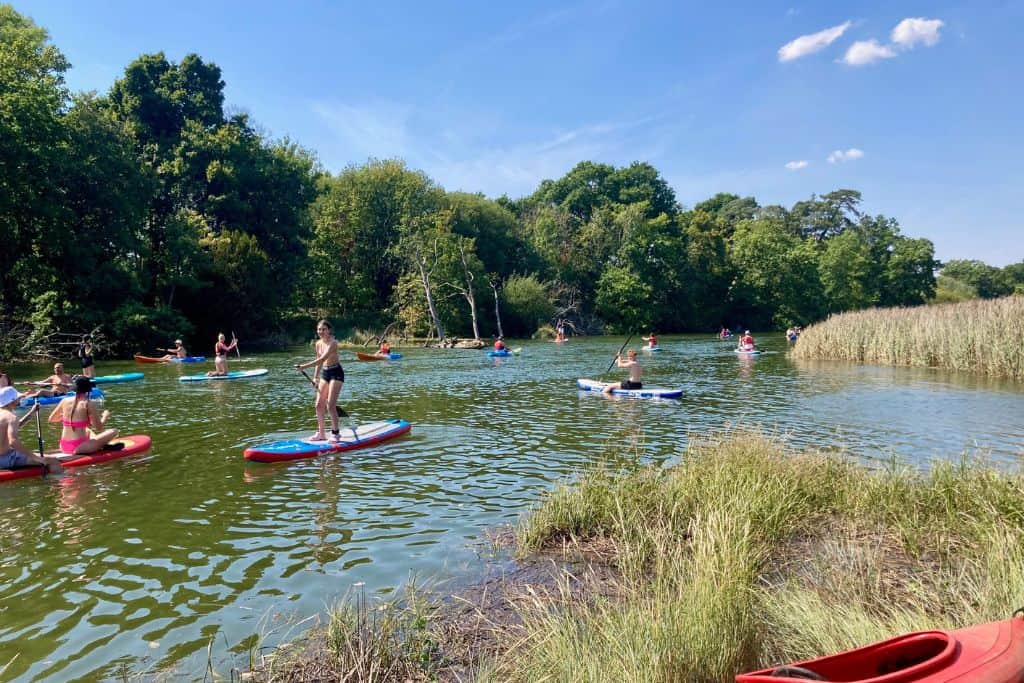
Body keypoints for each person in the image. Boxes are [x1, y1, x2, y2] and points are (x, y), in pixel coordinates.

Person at [295, 319, 344, 442]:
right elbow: (319, 362)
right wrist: (315, 377)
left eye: (323, 329)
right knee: (318, 404)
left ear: (329, 330)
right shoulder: (317, 344)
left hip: (336, 373)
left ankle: (335, 434)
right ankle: (321, 433)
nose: (321, 332)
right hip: (325, 373)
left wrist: (304, 367)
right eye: (319, 329)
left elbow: (322, 359)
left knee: (331, 405)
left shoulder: (333, 343)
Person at [48, 375, 119, 455]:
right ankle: (101, 445)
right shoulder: (88, 404)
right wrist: (105, 416)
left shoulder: (64, 400)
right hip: (79, 448)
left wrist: (65, 417)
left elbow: (51, 419)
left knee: (88, 430)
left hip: (64, 445)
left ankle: (100, 445)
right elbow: (99, 427)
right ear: (87, 389)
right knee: (114, 431)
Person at [0, 386, 63, 473]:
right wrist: (37, 458)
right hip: (6, 459)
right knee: (53, 460)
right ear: (12, 400)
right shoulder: (11, 417)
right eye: (18, 398)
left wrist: (31, 414)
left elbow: (9, 429)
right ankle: (61, 485)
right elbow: (13, 441)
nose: (19, 399)